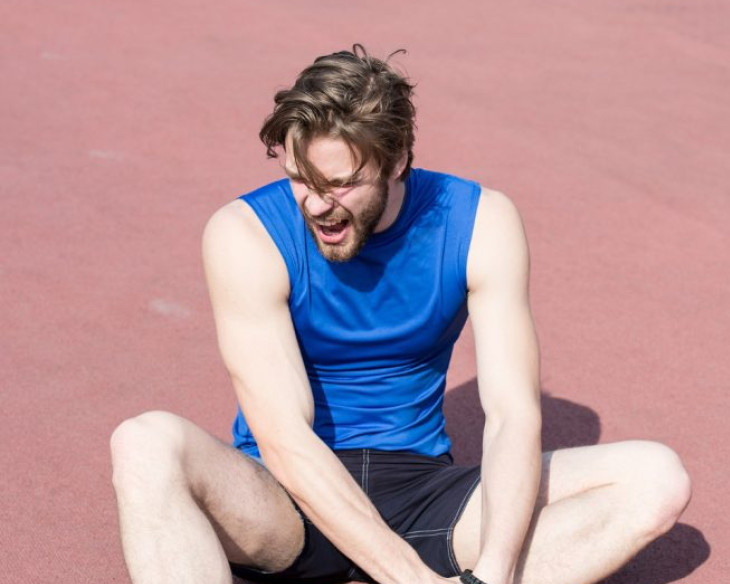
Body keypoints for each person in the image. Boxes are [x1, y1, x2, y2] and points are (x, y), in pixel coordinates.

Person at [110, 45, 692, 584]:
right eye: (299, 179)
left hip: (423, 497)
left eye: (340, 184)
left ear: (397, 162)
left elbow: (512, 416)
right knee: (145, 442)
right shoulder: (245, 233)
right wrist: (408, 578)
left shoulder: (481, 221)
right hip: (287, 503)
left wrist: (493, 572)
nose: (316, 204)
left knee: (655, 478)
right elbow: (285, 439)